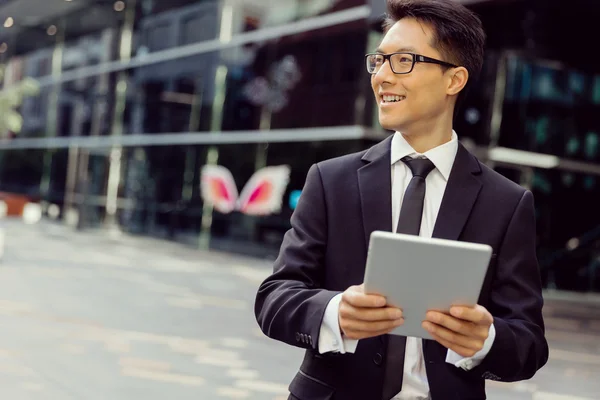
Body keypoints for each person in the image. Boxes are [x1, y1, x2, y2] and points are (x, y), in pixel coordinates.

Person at [254, 0, 549, 399]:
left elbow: (529, 344)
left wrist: (484, 338)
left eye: (404, 61)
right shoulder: (330, 180)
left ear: (454, 80)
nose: (383, 77)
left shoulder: (507, 203)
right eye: (379, 60)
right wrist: (335, 312)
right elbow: (274, 298)